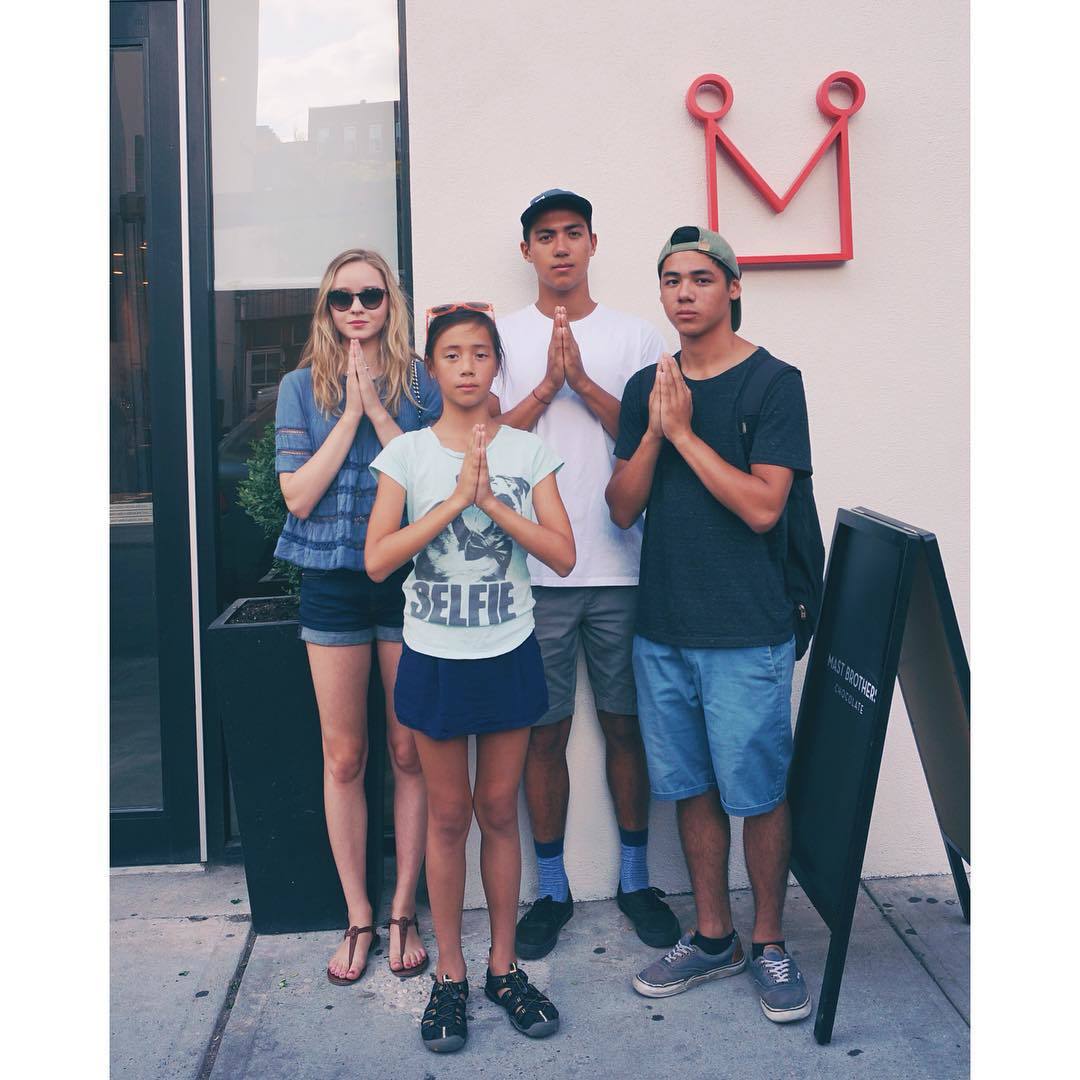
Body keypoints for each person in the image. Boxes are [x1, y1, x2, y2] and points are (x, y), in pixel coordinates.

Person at [605, 226, 815, 1023]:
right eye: (670, 280)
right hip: (663, 627)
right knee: (690, 788)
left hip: (747, 630)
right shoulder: (647, 388)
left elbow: (764, 508)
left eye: (699, 277)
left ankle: (769, 942)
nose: (683, 292)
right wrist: (657, 430)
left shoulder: (773, 383)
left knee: (757, 793)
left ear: (732, 286)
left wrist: (686, 434)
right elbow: (622, 507)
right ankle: (714, 936)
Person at [365, 305, 575, 1054]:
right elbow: (378, 560)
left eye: (480, 353)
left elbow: (563, 554)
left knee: (498, 811)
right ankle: (449, 975)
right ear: (431, 369)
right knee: (449, 817)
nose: (465, 366)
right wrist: (455, 500)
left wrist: (490, 504)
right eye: (451, 354)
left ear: (496, 366)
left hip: (507, 650)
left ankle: (503, 967)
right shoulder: (407, 455)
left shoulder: (528, 451)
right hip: (434, 656)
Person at [489, 189, 681, 960]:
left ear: (594, 243)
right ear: (527, 250)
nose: (561, 246)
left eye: (573, 233)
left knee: (626, 726)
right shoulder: (501, 337)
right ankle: (552, 890)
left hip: (622, 566)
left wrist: (584, 384)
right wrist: (545, 386)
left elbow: (653, 434)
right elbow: (482, 444)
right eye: (546, 235)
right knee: (544, 735)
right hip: (530, 572)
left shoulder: (636, 336)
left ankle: (635, 879)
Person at [273, 248, 441, 986]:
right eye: (341, 298)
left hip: (406, 578)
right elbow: (298, 496)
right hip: (330, 583)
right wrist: (347, 415)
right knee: (344, 756)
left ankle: (404, 908)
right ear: (326, 308)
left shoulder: (420, 383)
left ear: (390, 302)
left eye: (370, 295)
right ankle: (359, 914)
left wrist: (377, 407)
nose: (356, 309)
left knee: (409, 752)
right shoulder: (297, 387)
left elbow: (433, 480)